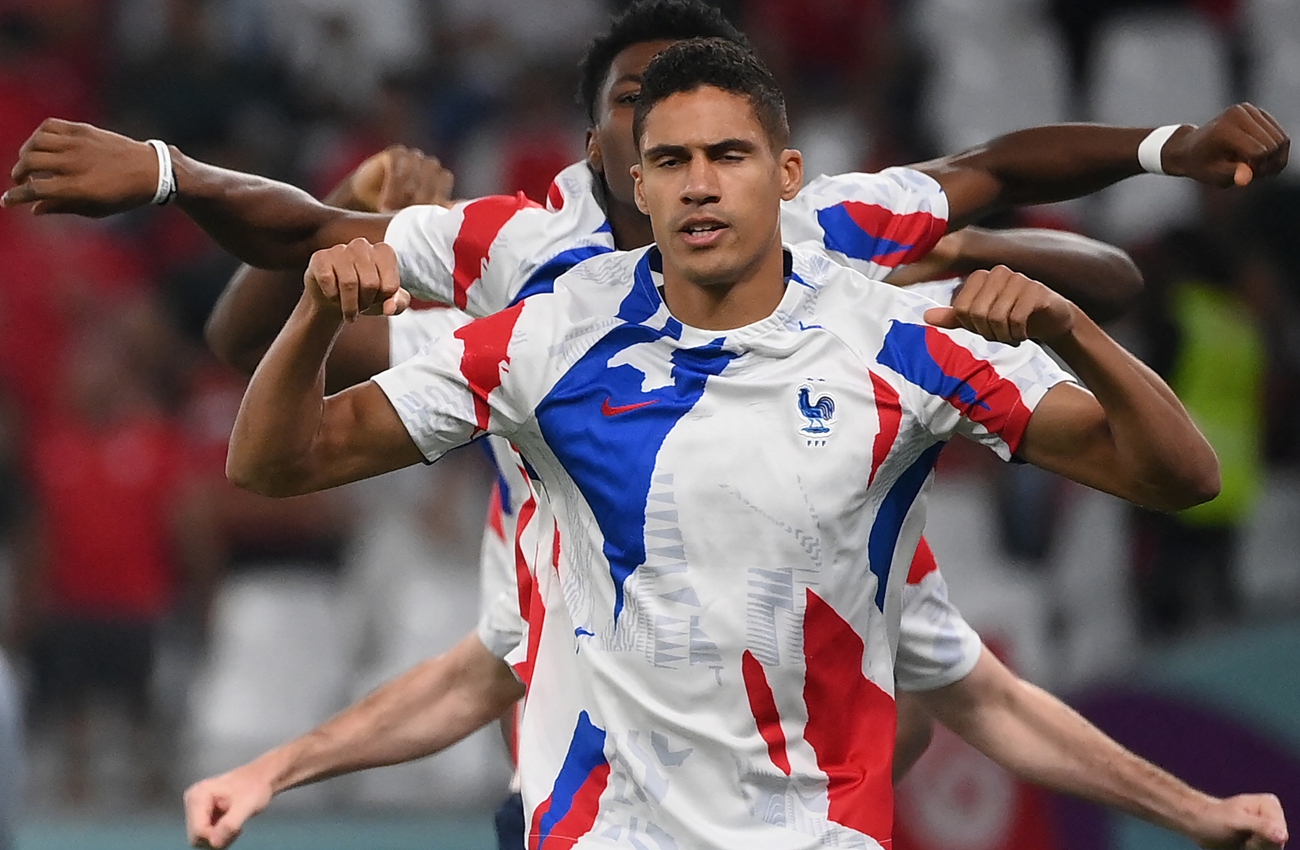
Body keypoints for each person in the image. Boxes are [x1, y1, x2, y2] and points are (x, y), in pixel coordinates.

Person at [208, 37, 1283, 850]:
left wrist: (1060, 316)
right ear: (632, 181)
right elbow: (285, 468)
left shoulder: (894, 356)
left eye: (727, 154)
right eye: (668, 158)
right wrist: (299, 302)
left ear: (787, 175)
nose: (699, 181)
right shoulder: (541, 339)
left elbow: (1168, 482)